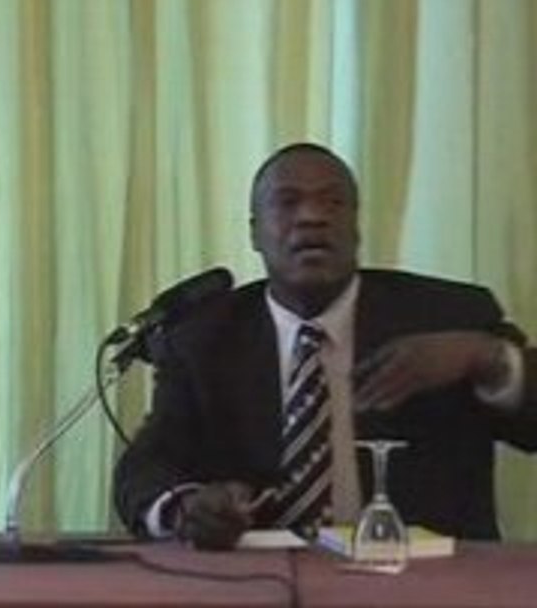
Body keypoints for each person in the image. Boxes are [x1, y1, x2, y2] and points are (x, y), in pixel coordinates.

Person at [113, 143, 537, 550]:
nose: (312, 217)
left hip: (429, 577)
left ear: (356, 227)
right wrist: (186, 506)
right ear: (255, 232)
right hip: (258, 577)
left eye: (333, 203)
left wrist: (486, 357)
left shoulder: (448, 316)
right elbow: (143, 469)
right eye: (288, 202)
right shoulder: (204, 338)